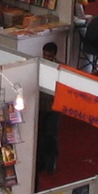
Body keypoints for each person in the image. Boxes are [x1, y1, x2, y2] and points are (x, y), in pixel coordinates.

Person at [37, 42, 61, 178]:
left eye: (49, 56)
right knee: (40, 135)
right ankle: (41, 162)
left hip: (53, 108)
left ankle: (51, 162)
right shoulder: (38, 66)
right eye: (45, 55)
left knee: (51, 136)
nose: (46, 58)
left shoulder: (59, 69)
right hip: (40, 106)